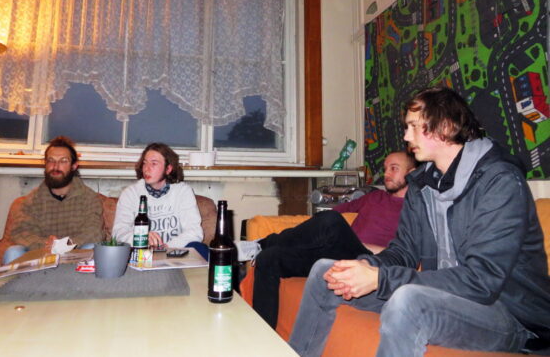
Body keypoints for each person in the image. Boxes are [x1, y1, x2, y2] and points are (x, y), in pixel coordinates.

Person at [289, 87, 550, 356]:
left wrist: (382, 279)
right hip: (445, 298)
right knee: (326, 272)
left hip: (509, 315)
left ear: (446, 126)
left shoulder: (500, 182)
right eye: (406, 127)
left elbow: (481, 281)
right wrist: (367, 267)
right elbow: (404, 252)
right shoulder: (422, 184)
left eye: (414, 126)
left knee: (408, 301)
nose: (406, 136)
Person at [236, 151, 416, 329]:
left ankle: (261, 244)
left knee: (331, 220)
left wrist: (360, 244)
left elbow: (406, 255)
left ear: (411, 173)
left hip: (368, 262)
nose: (386, 174)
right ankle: (262, 334)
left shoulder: (415, 210)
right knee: (269, 258)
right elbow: (328, 217)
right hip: (337, 253)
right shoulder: (374, 196)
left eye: (394, 168)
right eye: (385, 168)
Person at [5, 136, 104, 264]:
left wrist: (65, 244)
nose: (56, 166)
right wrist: (46, 244)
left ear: (74, 166)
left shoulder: (89, 198)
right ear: (45, 164)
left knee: (93, 248)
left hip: (75, 254)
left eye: (63, 161)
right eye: (51, 161)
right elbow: (20, 232)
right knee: (13, 252)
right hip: (41, 255)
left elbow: (95, 232)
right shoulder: (32, 200)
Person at [112, 142, 208, 259]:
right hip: (142, 254)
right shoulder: (130, 193)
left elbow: (195, 232)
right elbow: (118, 233)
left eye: (154, 163)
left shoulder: (182, 191)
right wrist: (141, 238)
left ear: (168, 169)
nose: (146, 169)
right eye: (145, 163)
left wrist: (165, 247)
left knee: (201, 248)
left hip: (174, 253)